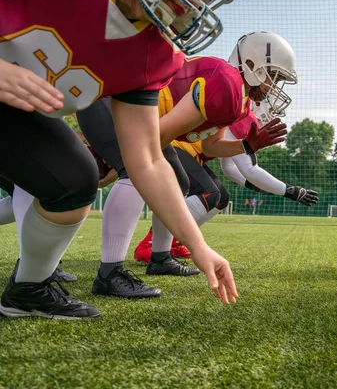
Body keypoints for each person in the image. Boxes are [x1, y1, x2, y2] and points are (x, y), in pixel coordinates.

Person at [0, 0, 238, 319]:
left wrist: (199, 247)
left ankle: (27, 290)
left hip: (15, 116)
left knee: (74, 180)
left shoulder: (152, 52)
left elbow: (148, 159)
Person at [77, 31, 296, 296]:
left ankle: (159, 259)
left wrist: (247, 146)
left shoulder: (239, 99)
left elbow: (209, 146)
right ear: (251, 63)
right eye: (274, 77)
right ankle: (109, 273)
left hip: (137, 116)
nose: (274, 87)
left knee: (178, 183)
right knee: (134, 168)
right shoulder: (226, 83)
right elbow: (154, 140)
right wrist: (118, 167)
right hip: (114, 100)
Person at [135, 100, 319, 263]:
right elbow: (250, 169)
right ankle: (151, 242)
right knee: (209, 193)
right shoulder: (242, 113)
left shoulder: (242, 110)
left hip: (190, 153)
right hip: (177, 147)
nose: (273, 112)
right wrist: (291, 191)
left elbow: (229, 167)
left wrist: (251, 184)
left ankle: (176, 240)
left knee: (221, 197)